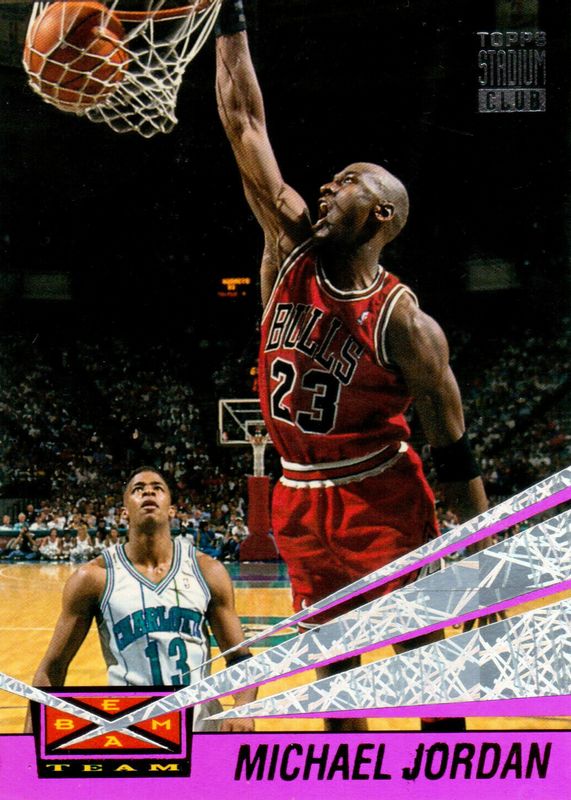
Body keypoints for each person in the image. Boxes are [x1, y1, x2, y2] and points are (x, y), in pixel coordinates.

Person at [214, 1, 488, 731]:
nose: (327, 187)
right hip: (297, 499)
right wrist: (228, 20)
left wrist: (483, 557)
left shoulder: (406, 324)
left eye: (348, 180)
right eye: (330, 180)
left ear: (382, 214)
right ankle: (350, 772)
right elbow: (244, 123)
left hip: (381, 496)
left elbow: (454, 449)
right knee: (334, 673)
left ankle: (448, 769)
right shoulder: (287, 247)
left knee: (423, 664)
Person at [26, 467, 255, 733]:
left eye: (157, 488)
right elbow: (52, 669)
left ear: (172, 510)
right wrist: (25, 747)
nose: (148, 491)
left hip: (200, 729)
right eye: (138, 489)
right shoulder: (93, 578)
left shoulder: (207, 571)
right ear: (124, 512)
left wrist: (243, 707)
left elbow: (239, 657)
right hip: (131, 733)